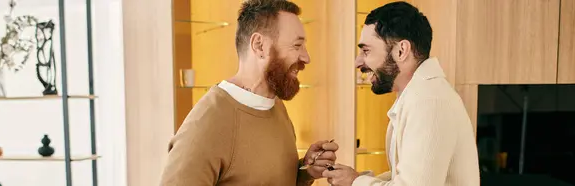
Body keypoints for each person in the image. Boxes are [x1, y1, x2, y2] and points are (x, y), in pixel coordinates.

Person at [159, 0, 338, 185]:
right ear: (259, 46)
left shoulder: (276, 107)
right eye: (296, 45)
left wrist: (305, 172)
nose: (306, 57)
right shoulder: (206, 124)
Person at [322, 1, 479, 186]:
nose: (358, 62)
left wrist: (355, 182)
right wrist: (354, 178)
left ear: (401, 50)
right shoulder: (419, 96)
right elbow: (408, 175)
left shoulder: (428, 101)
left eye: (366, 51)